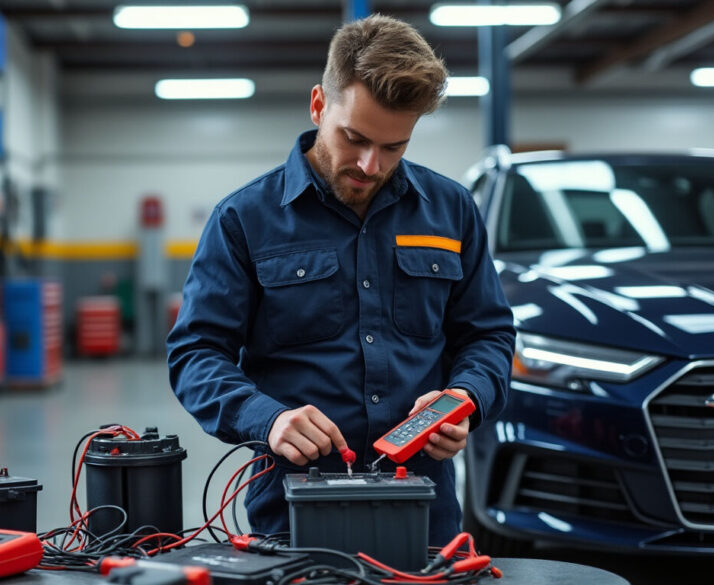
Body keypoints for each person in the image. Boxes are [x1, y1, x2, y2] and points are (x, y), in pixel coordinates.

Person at [167, 14, 515, 544]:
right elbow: (195, 353)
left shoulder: (452, 211)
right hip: (292, 506)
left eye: (394, 147)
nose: (371, 165)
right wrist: (266, 419)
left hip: (423, 504)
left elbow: (488, 334)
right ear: (317, 105)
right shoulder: (244, 219)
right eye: (353, 138)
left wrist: (465, 396)